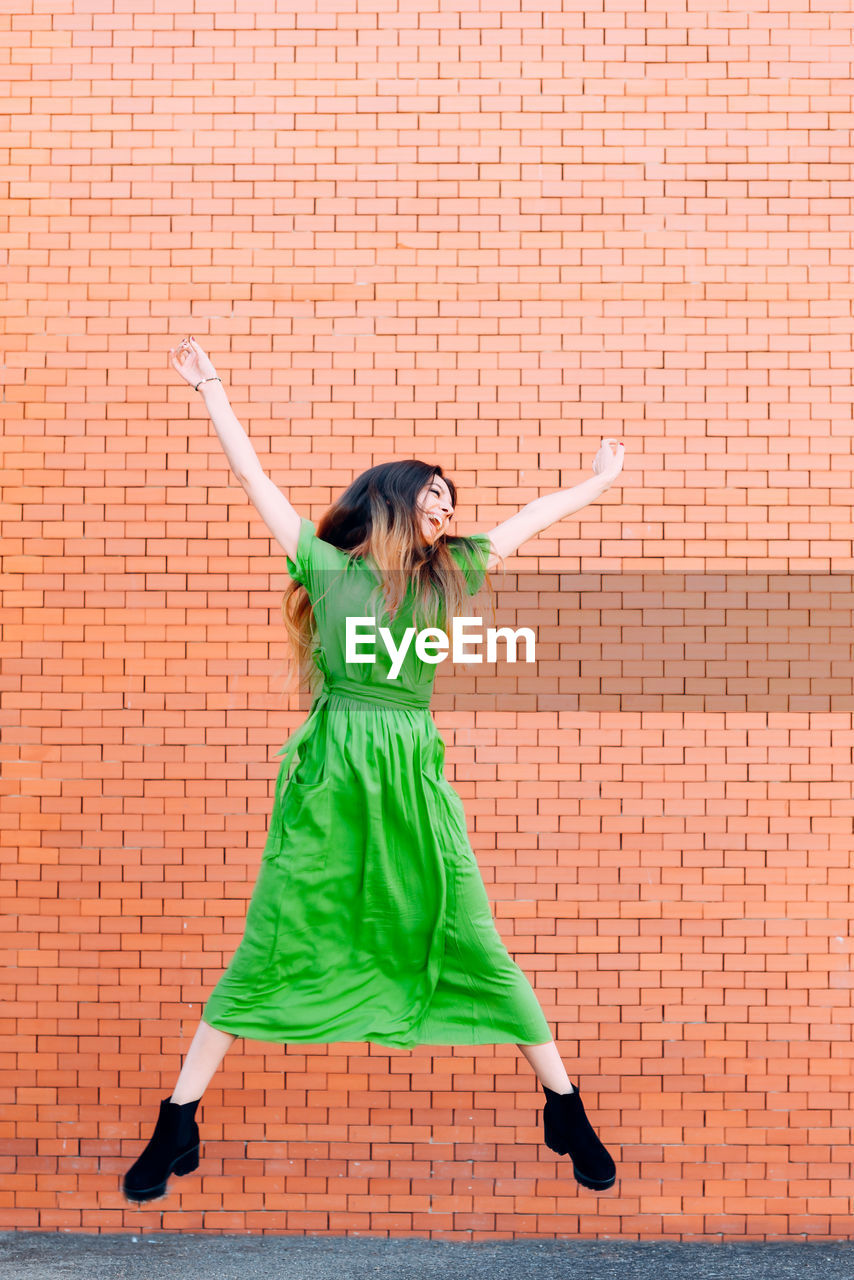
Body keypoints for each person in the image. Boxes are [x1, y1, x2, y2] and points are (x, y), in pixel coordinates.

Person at [122, 337, 626, 1205]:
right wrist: (213, 388)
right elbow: (255, 483)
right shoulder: (324, 568)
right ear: (396, 499)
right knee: (273, 936)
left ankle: (563, 1103)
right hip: (331, 774)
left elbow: (525, 522)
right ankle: (177, 1120)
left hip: (410, 774)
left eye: (452, 501)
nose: (447, 508)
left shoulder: (450, 574)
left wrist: (593, 485)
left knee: (469, 926)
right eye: (434, 494)